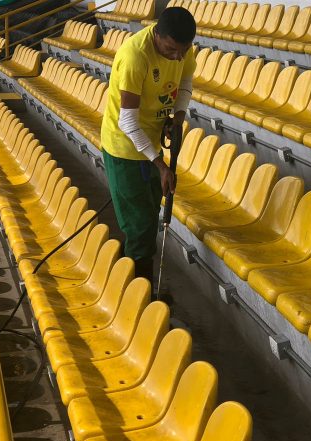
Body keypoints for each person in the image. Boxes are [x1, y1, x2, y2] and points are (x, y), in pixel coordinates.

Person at [100, 7, 196, 283]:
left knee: (149, 214)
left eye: (183, 50)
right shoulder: (135, 57)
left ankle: (141, 288)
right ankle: (139, 294)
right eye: (170, 50)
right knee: (139, 225)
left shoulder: (183, 50)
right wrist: (160, 165)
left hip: (150, 141)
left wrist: (177, 119)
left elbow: (185, 83)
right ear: (157, 35)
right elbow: (128, 122)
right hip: (125, 148)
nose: (177, 57)